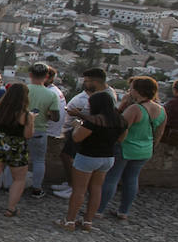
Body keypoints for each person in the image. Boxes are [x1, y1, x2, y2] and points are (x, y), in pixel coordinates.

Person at [98, 76, 166, 221]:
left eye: (132, 88)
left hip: (125, 148)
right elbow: (159, 133)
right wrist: (151, 148)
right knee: (132, 179)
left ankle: (99, 209)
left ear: (137, 91)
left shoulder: (135, 109)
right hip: (145, 150)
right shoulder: (161, 110)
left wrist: (122, 105)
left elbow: (118, 127)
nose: (129, 91)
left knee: (112, 178)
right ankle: (124, 211)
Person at [57, 91, 125, 231]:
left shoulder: (94, 121)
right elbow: (121, 139)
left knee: (79, 190)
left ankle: (69, 221)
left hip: (88, 156)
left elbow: (77, 138)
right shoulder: (120, 120)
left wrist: (77, 125)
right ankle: (88, 221)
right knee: (96, 189)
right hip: (107, 158)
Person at [0, 81, 33, 217]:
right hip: (16, 146)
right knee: (19, 179)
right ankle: (10, 208)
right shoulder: (26, 114)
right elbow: (28, 135)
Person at [22, 63, 61, 198]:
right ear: (46, 76)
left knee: (17, 158)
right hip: (39, 130)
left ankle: (12, 185)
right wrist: (46, 113)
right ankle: (37, 189)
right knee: (39, 160)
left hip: (21, 128)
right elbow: (56, 117)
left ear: (30, 75)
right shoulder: (51, 95)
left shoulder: (23, 90)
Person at [41, 65, 71, 198]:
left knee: (37, 160)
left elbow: (47, 114)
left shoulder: (50, 93)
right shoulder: (54, 91)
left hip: (46, 131)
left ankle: (36, 185)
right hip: (53, 131)